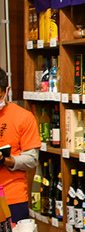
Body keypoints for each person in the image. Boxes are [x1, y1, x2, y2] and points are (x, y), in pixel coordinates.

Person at [0, 68, 41, 222]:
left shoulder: (23, 117)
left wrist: (6, 160)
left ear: (7, 90)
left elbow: (31, 159)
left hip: (12, 198)